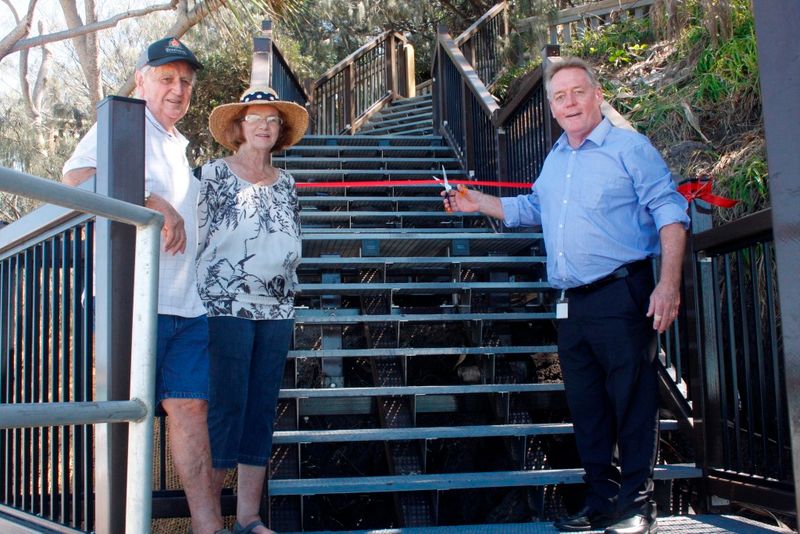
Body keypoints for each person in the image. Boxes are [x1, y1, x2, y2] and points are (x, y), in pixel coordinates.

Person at [442, 57, 689, 534]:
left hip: (623, 294)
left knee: (633, 402)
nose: (569, 102)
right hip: (570, 304)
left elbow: (670, 214)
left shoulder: (629, 148)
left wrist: (669, 283)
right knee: (587, 407)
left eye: (578, 92)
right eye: (560, 96)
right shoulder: (557, 157)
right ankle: (600, 503)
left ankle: (638, 506)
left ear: (597, 95)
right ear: (552, 107)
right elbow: (534, 207)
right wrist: (478, 202)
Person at [62, 37, 228, 534]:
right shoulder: (120, 126)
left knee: (192, 408)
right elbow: (75, 178)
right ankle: (117, 526)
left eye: (185, 82)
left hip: (188, 304)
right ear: (141, 80)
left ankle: (208, 527)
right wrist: (151, 200)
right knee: (123, 421)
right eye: (166, 78)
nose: (178, 90)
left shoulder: (179, 145)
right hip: (132, 304)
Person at [196, 85, 308, 534]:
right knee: (226, 408)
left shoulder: (288, 183)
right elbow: (196, 239)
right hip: (225, 304)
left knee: (261, 409)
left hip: (277, 308)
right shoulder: (212, 175)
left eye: (272, 119)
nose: (264, 125)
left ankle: (248, 519)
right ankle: (208, 523)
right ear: (239, 126)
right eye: (255, 117)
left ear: (280, 131)